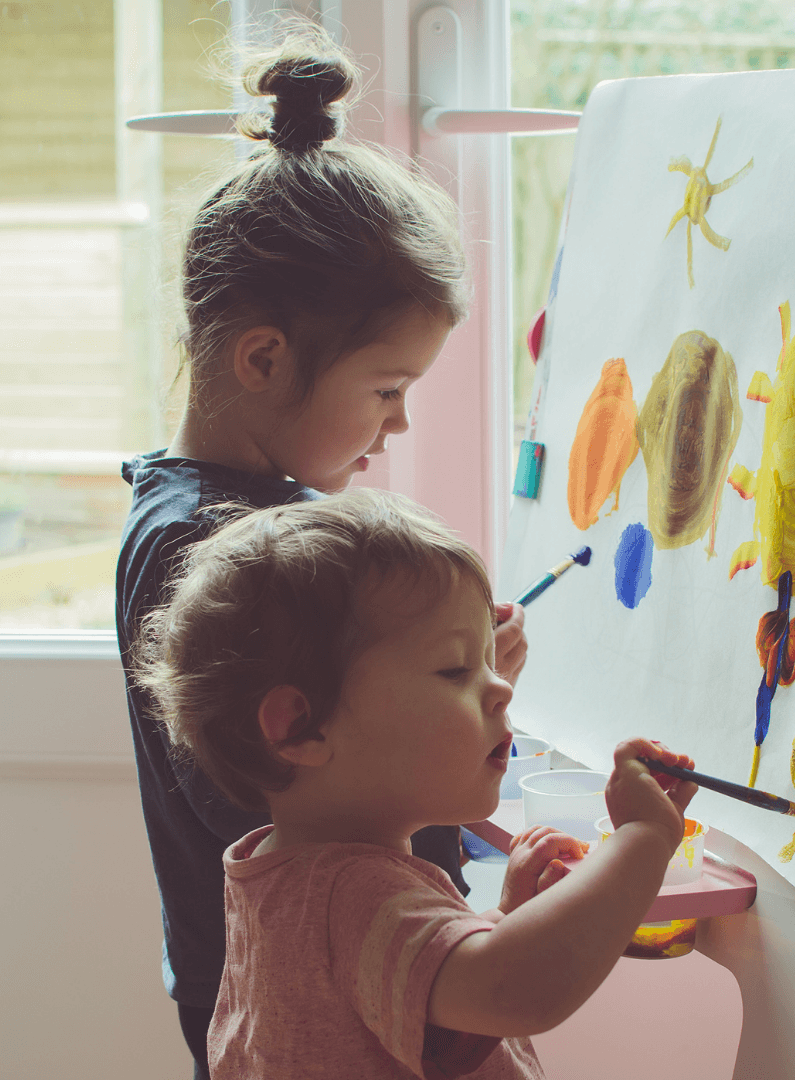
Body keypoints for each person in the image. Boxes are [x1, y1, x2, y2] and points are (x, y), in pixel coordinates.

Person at [114, 23, 527, 1079]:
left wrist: (444, 675)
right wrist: (430, 708)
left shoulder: (240, 519)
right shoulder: (212, 548)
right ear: (264, 357)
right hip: (312, 1022)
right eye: (386, 391)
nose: (393, 429)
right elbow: (286, 794)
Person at [135, 490, 698, 1079]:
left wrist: (498, 924)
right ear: (301, 728)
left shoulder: (281, 876)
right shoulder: (348, 893)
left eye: (488, 661)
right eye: (456, 668)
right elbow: (514, 990)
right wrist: (645, 838)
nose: (501, 688)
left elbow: (425, 1040)